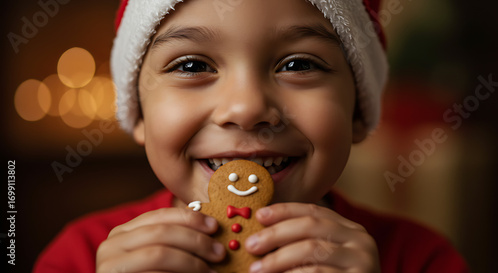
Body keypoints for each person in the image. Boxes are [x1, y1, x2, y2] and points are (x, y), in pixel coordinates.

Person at [34, 0, 469, 272]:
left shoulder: (419, 258)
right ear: (140, 114)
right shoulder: (81, 256)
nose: (246, 109)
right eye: (191, 65)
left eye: (299, 65)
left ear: (358, 112)